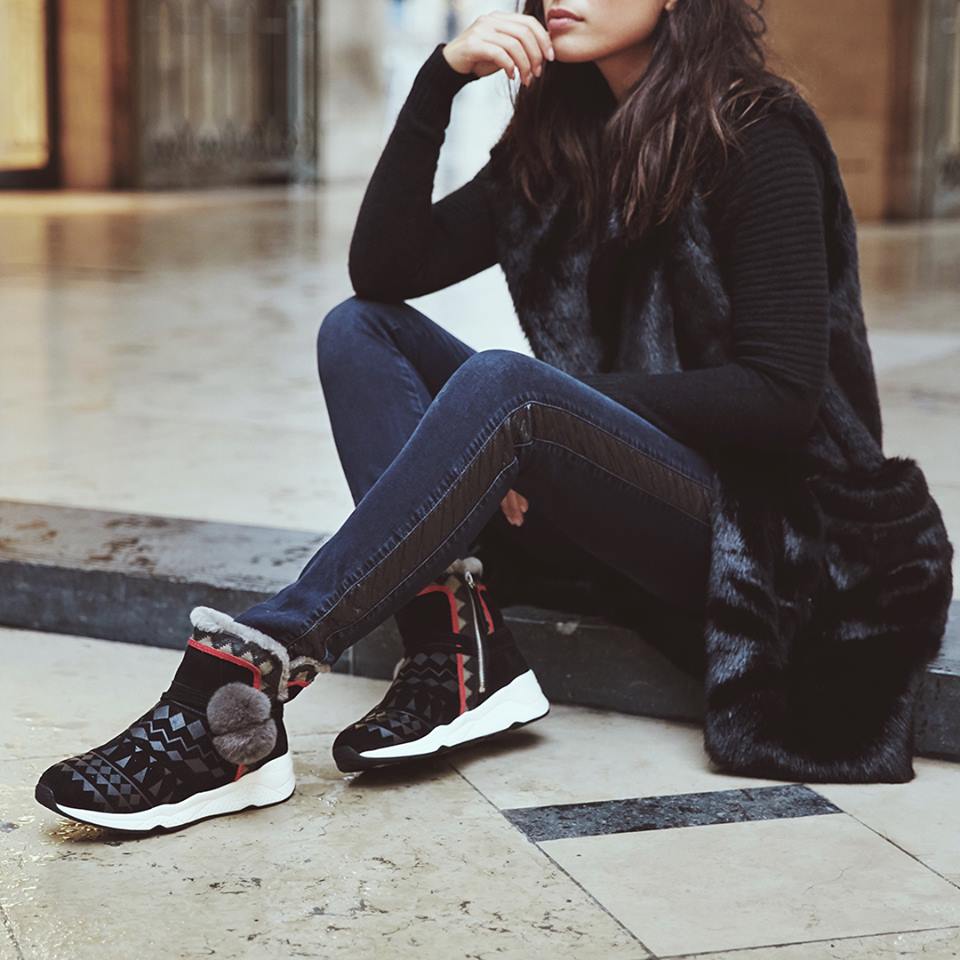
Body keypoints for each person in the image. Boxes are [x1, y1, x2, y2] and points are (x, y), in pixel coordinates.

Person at [35, 0, 831, 832]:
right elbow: (385, 270)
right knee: (359, 330)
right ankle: (455, 654)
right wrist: (438, 81)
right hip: (600, 508)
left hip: (749, 527)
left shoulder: (757, 132)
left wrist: (551, 426)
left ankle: (240, 684)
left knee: (507, 386)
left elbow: (781, 396)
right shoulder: (566, 139)